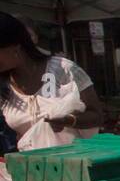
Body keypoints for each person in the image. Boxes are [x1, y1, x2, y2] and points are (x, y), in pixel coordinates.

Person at [0, 11, 104, 150]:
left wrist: (69, 120)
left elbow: (97, 116)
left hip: (73, 162)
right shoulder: (4, 87)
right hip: (31, 167)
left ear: (15, 46)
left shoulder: (63, 70)